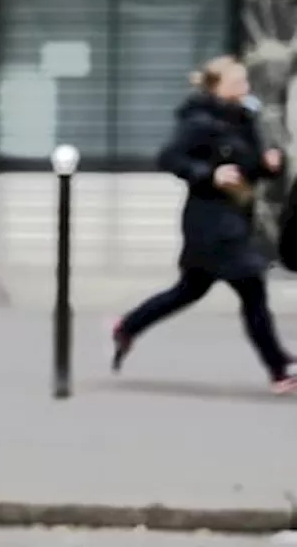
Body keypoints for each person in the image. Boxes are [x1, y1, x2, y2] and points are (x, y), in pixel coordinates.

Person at [112, 55, 297, 394]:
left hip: (234, 218)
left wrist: (269, 165)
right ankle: (280, 367)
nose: (245, 88)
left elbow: (248, 168)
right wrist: (210, 175)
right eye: (237, 82)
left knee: (189, 289)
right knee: (252, 289)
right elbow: (170, 158)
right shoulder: (198, 120)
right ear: (217, 87)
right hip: (209, 222)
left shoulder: (244, 118)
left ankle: (127, 326)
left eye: (245, 81)